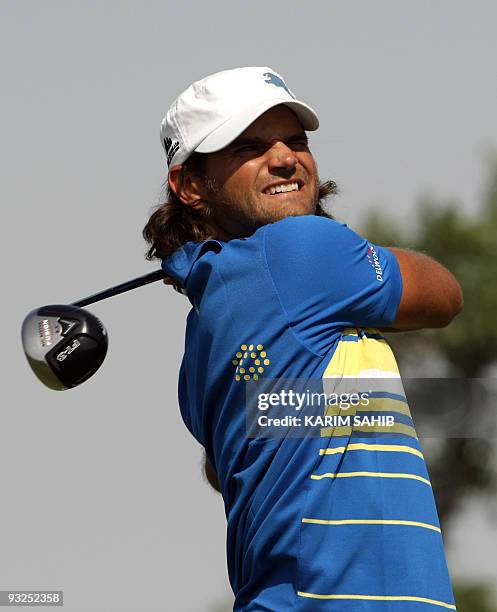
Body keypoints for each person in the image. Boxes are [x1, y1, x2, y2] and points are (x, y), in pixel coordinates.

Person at [143, 67, 463, 611]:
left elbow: (226, 470)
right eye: (248, 146)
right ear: (191, 185)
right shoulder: (303, 252)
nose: (286, 158)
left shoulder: (201, 335)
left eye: (296, 141)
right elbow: (445, 296)